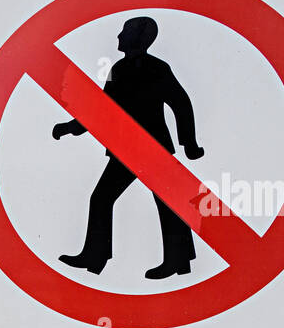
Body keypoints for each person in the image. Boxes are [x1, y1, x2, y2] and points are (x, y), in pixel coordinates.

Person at [52, 16, 204, 279]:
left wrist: (189, 144)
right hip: (126, 149)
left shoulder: (158, 68)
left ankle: (176, 261)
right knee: (102, 198)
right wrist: (70, 127)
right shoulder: (118, 69)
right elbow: (100, 109)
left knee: (168, 203)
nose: (118, 37)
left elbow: (180, 103)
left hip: (153, 148)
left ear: (136, 37)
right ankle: (94, 257)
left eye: (124, 32)